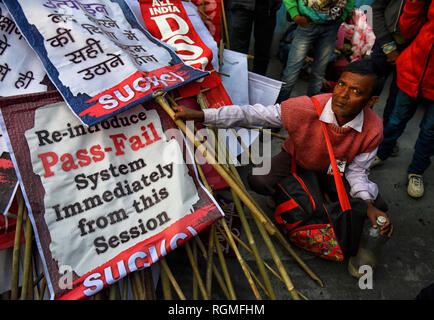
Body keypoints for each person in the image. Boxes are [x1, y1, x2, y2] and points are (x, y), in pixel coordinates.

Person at [173, 59, 394, 239]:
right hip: (296, 158)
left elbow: (358, 171)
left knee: (375, 206)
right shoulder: (306, 107)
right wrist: (203, 115)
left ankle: (320, 197)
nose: (342, 95)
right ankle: (286, 194)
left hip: (334, 169)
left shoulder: (373, 128)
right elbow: (252, 114)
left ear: (371, 101)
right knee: (258, 179)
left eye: (355, 91)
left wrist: (365, 204)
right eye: (341, 84)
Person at [372, 0, 434, 199]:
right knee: (396, 118)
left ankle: (416, 172)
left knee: (430, 131)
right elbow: (407, 29)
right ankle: (381, 152)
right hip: (413, 68)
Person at [276, 0, 355, 102]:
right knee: (291, 72)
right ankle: (278, 110)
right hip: (307, 24)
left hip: (331, 26)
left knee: (318, 74)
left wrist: (343, 16)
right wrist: (295, 15)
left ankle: (312, 112)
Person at [370, 0, 409, 156]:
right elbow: (376, 10)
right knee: (370, 89)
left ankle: (385, 141)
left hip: (413, 49)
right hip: (384, 39)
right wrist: (388, 46)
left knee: (398, 97)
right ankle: (360, 132)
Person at [225, 0, 282, 76]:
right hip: (239, 5)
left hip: (268, 5)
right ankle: (237, 82)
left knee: (263, 50)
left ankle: (257, 84)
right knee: (237, 52)